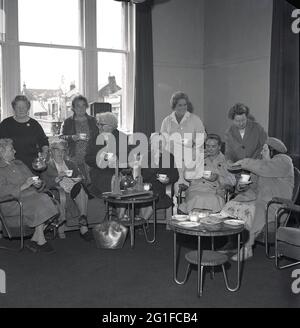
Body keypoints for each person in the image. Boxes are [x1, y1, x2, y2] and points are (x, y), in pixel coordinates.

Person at [221, 137, 294, 261]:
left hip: (276, 206)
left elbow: (264, 169)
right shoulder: (260, 164)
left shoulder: (284, 161)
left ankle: (247, 247)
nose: (261, 153)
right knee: (232, 204)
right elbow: (252, 187)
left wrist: (245, 162)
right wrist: (241, 186)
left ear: (273, 151)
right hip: (259, 201)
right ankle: (233, 242)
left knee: (254, 209)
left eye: (264, 150)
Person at [0, 138, 58, 253]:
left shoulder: (19, 164)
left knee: (52, 202)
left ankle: (34, 239)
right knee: (42, 200)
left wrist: (38, 184)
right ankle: (40, 240)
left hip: (31, 196)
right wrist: (24, 185)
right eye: (11, 149)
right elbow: (2, 190)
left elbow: (33, 178)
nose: (15, 151)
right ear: (1, 152)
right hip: (12, 202)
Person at [41, 139, 92, 241]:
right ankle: (83, 227)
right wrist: (58, 177)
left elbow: (80, 176)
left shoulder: (70, 164)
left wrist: (79, 177)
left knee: (80, 186)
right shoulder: (46, 165)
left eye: (63, 150)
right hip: (58, 191)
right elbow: (44, 184)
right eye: (57, 150)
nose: (61, 153)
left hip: (73, 188)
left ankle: (83, 225)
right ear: (51, 151)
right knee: (81, 190)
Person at [179, 134, 236, 214]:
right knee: (197, 197)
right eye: (208, 146)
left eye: (213, 146)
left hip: (215, 191)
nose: (210, 149)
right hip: (196, 189)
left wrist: (218, 177)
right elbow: (187, 176)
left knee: (213, 199)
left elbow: (232, 181)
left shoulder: (226, 161)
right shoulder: (199, 157)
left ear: (219, 147)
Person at [160, 91, 206, 185]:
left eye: (185, 105)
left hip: (190, 159)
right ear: (174, 106)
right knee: (175, 186)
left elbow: (202, 136)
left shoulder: (195, 119)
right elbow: (163, 139)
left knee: (188, 186)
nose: (183, 107)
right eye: (180, 105)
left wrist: (193, 143)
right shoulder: (167, 121)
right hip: (173, 159)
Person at [0, 95, 49, 171]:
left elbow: (43, 141)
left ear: (28, 108)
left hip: (32, 164)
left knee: (33, 182)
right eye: (18, 107)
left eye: (24, 107)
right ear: (14, 108)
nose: (21, 109)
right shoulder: (6, 123)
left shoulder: (34, 124)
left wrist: (44, 154)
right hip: (11, 164)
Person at [139, 133, 179, 221]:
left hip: (163, 188)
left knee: (154, 196)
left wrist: (168, 180)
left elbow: (175, 175)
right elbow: (144, 175)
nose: (160, 145)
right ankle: (142, 222)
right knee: (148, 194)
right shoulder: (147, 156)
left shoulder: (169, 156)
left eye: (162, 142)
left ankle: (141, 222)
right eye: (157, 142)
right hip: (148, 186)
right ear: (152, 143)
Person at [60, 95, 98, 183]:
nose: (81, 108)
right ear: (73, 107)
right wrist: (72, 137)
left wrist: (93, 139)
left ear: (86, 107)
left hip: (90, 155)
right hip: (74, 156)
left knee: (91, 180)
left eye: (83, 105)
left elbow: (100, 136)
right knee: (76, 181)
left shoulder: (93, 120)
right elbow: (61, 137)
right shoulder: (68, 122)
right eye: (78, 106)